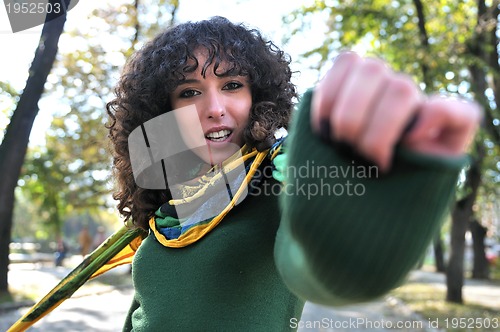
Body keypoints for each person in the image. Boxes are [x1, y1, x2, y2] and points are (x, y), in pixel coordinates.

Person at [105, 16, 480, 331]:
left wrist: (361, 213)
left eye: (232, 85)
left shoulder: (279, 177)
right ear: (163, 112)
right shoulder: (166, 210)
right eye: (189, 92)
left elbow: (315, 270)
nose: (214, 107)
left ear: (258, 98)